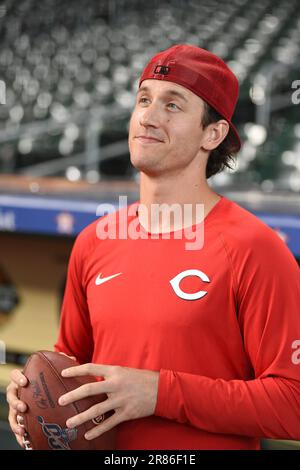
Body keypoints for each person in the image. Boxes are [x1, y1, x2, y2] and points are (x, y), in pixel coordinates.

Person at [7, 44, 300, 450]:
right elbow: (70, 365)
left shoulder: (255, 249)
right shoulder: (94, 241)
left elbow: (294, 403)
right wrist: (33, 394)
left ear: (212, 134)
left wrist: (162, 394)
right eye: (143, 100)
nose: (148, 116)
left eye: (173, 106)